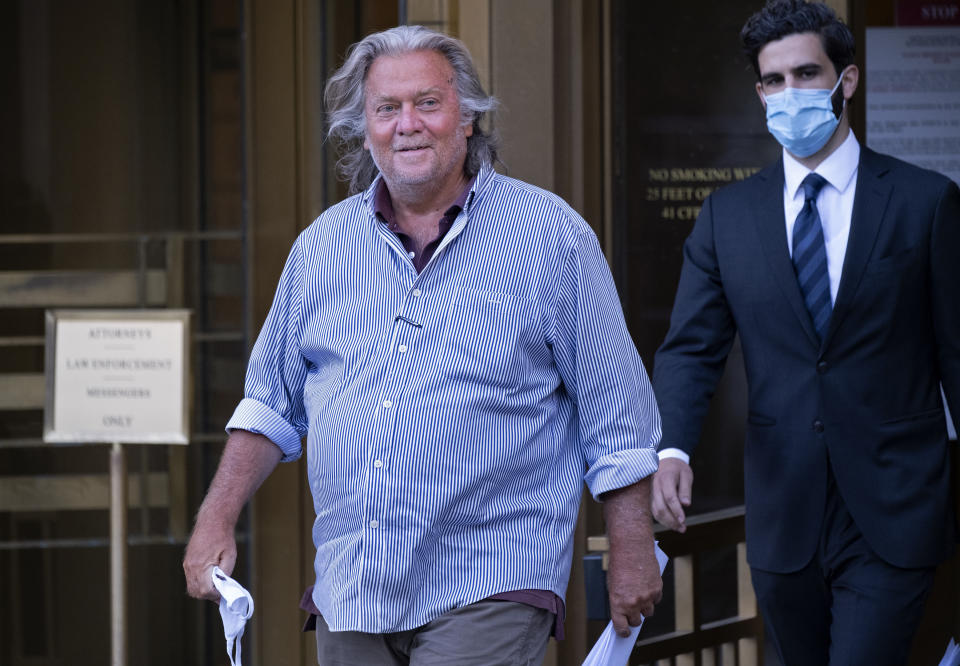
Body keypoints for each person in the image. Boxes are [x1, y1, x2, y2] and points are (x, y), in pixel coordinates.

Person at [183, 24, 664, 665]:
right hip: (355, 586)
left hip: (493, 576)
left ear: (466, 118)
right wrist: (215, 519)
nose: (407, 124)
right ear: (366, 127)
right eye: (387, 108)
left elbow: (615, 410)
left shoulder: (551, 237)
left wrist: (630, 547)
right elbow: (270, 401)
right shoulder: (321, 248)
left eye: (427, 103)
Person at [650, 1, 959, 664]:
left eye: (807, 73)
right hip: (784, 509)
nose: (791, 94)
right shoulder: (727, 217)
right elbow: (691, 347)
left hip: (894, 508)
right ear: (759, 92)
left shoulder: (925, 203)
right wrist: (672, 447)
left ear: (846, 81)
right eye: (774, 81)